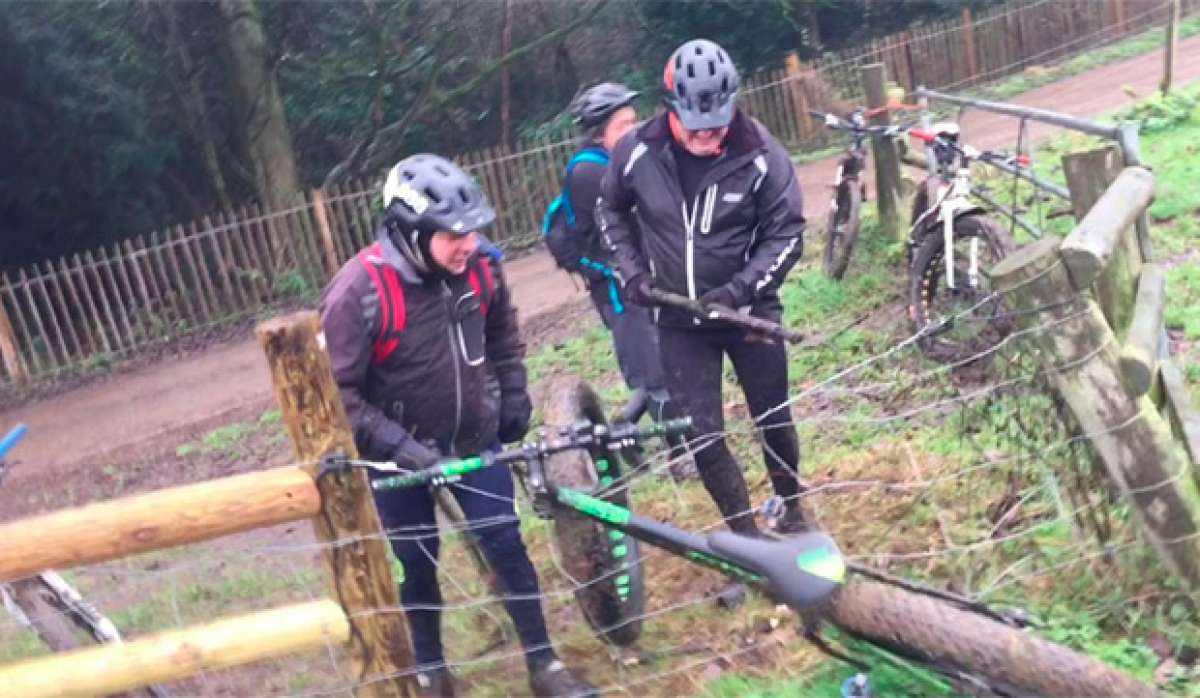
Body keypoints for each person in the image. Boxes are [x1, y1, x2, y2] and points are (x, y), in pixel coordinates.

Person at [319, 154, 596, 698]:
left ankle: (544, 664)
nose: (468, 244)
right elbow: (339, 396)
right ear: (410, 231)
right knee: (415, 562)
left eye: (473, 231)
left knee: (506, 546)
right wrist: (408, 452)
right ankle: (430, 671)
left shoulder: (482, 266)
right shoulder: (359, 293)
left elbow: (503, 335)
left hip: (473, 439)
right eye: (452, 236)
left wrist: (513, 394)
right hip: (394, 456)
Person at [597, 39, 809, 537]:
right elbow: (609, 212)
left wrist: (740, 290)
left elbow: (787, 232)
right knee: (703, 436)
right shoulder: (636, 152)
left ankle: (792, 505)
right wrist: (630, 270)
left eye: (718, 124)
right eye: (697, 127)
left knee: (772, 417)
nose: (709, 136)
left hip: (746, 313)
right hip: (678, 321)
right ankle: (745, 536)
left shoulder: (759, 152)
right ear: (672, 110)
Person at [546, 82, 693, 477]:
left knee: (657, 363)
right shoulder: (590, 172)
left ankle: (623, 428)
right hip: (617, 288)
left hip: (639, 280)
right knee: (657, 373)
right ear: (600, 132)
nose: (634, 128)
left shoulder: (615, 160)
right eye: (623, 125)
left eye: (634, 120)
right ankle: (681, 459)